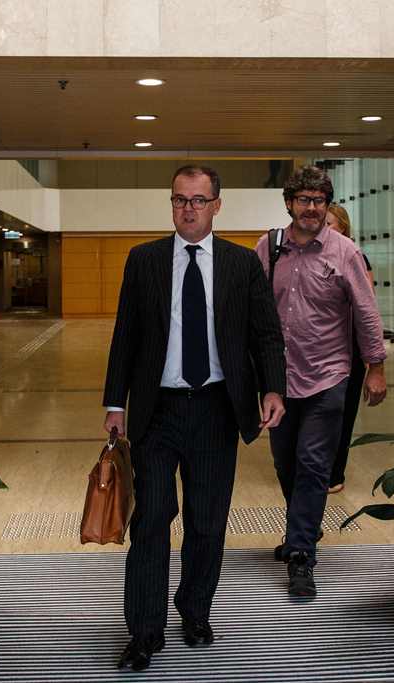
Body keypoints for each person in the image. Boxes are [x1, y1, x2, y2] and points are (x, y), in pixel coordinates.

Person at [104, 165, 286, 672]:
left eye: (198, 200)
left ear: (216, 205)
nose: (188, 208)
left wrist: (273, 388)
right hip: (156, 411)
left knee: (206, 522)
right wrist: (115, 403)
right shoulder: (143, 260)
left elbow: (266, 333)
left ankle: (195, 611)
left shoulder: (240, 264)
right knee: (151, 521)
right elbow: (125, 334)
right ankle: (144, 631)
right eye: (180, 199)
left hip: (216, 410)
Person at [256, 166, 387, 599]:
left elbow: (366, 312)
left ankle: (300, 553)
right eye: (303, 200)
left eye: (318, 201)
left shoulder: (345, 252)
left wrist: (375, 366)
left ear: (326, 205)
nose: (311, 208)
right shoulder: (268, 247)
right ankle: (303, 529)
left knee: (313, 464)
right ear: (289, 204)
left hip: (328, 376)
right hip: (278, 381)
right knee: (285, 464)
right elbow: (251, 308)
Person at [325, 203, 374, 494]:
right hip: (320, 348)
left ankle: (334, 474)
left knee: (343, 413)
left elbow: (366, 308)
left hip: (349, 348)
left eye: (329, 224)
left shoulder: (355, 257)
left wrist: (372, 359)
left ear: (342, 227)